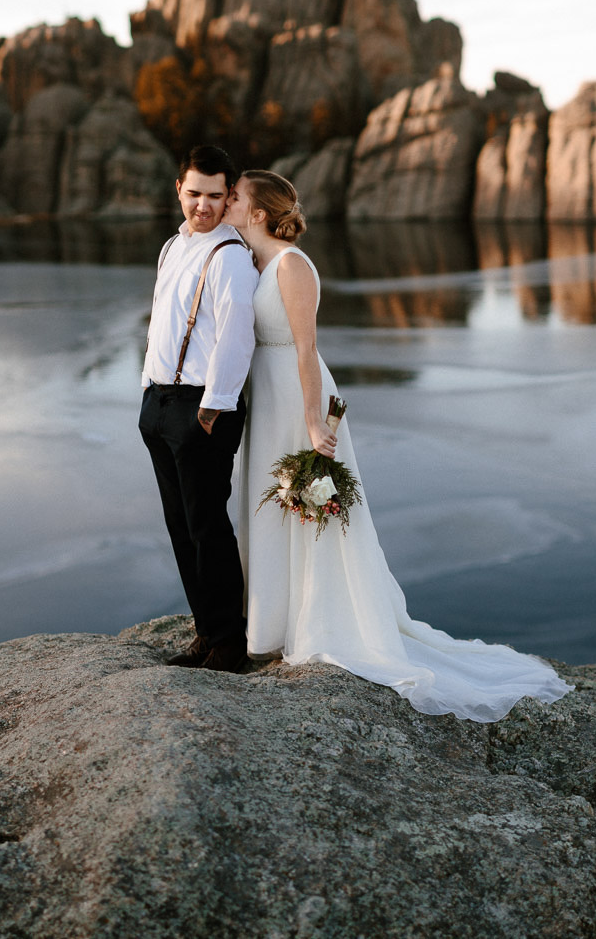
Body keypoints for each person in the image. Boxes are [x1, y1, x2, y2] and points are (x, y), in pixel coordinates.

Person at [225, 169, 571, 721]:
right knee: (271, 510)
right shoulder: (251, 261)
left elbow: (306, 349)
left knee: (308, 511)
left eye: (235, 197)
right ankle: (269, 621)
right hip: (263, 399)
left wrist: (314, 422)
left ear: (259, 212)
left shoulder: (291, 266)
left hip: (295, 397)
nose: (226, 204)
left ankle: (317, 622)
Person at [138, 145, 259, 674]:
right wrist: (147, 389)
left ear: (229, 196)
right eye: (194, 194)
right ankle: (205, 632)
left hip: (204, 409)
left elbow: (236, 338)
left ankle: (229, 643)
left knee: (208, 528)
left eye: (215, 196)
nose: (203, 206)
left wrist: (211, 409)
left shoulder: (230, 256)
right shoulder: (172, 247)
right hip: (159, 403)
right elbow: (161, 322)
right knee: (179, 526)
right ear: (179, 190)